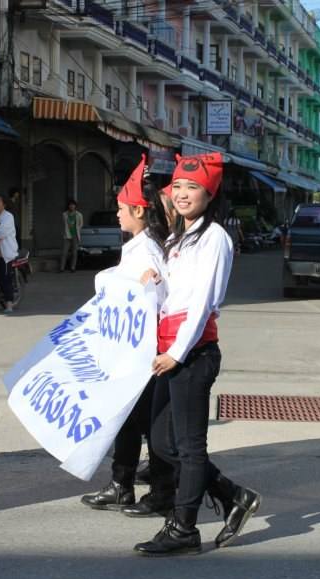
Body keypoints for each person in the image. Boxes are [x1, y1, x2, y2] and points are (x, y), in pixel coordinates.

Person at [134, 152, 261, 556]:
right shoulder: (178, 237)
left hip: (192, 351)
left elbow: (203, 302)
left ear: (210, 193)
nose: (184, 194)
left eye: (194, 187)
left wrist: (176, 351)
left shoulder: (214, 238)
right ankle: (232, 494)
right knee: (161, 441)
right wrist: (152, 281)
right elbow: (171, 300)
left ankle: (183, 528)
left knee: (189, 447)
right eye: (179, 187)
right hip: (170, 350)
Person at [80, 156, 176, 515]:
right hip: (130, 351)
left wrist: (142, 287)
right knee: (129, 420)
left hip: (144, 353)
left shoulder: (149, 247)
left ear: (138, 210)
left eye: (121, 208)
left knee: (142, 422)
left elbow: (161, 294)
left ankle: (139, 485)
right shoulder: (137, 243)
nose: (117, 214)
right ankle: (124, 483)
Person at [59, 199, 83, 273]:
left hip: (75, 235)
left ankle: (73, 268)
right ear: (68, 206)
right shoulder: (64, 214)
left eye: (73, 205)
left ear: (75, 206)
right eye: (70, 205)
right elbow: (63, 224)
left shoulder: (79, 215)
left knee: (74, 253)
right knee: (64, 252)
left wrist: (77, 229)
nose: (71, 206)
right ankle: (62, 268)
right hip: (67, 235)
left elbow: (81, 224)